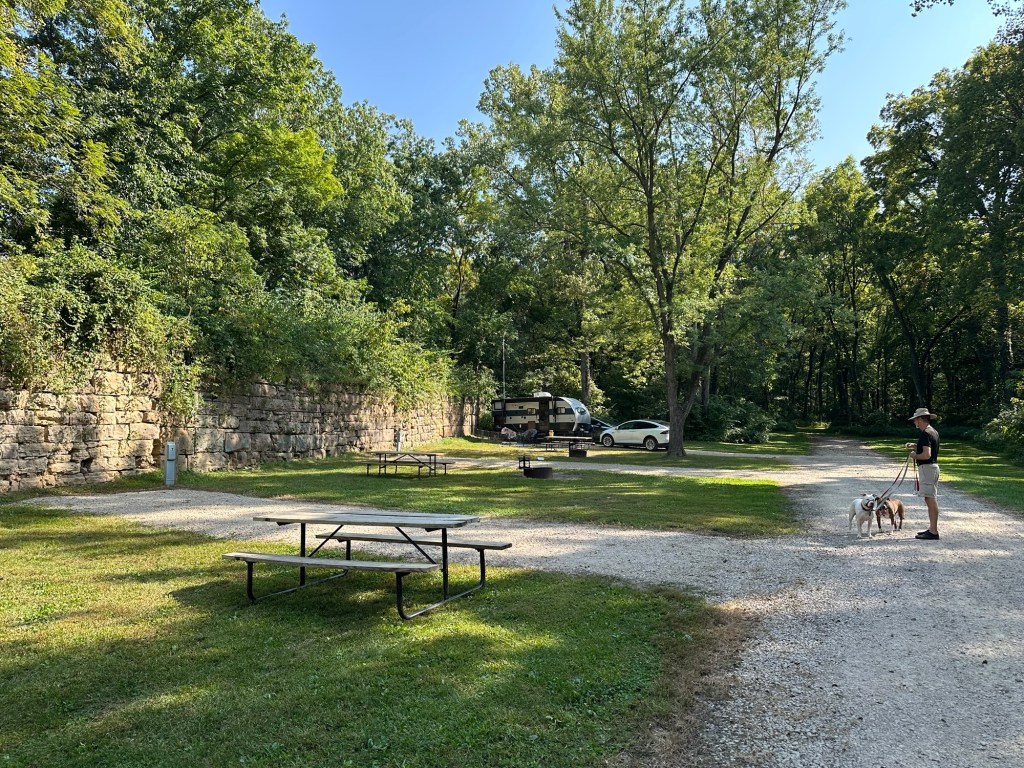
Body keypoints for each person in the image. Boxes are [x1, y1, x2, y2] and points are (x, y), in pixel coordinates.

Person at [905, 407, 941, 540]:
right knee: (930, 497)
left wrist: (914, 455)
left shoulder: (925, 433)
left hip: (927, 468)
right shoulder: (933, 431)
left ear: (920, 419)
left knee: (930, 498)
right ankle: (932, 529)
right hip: (932, 468)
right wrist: (915, 446)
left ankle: (933, 531)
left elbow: (926, 455)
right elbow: (928, 446)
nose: (914, 422)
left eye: (915, 419)